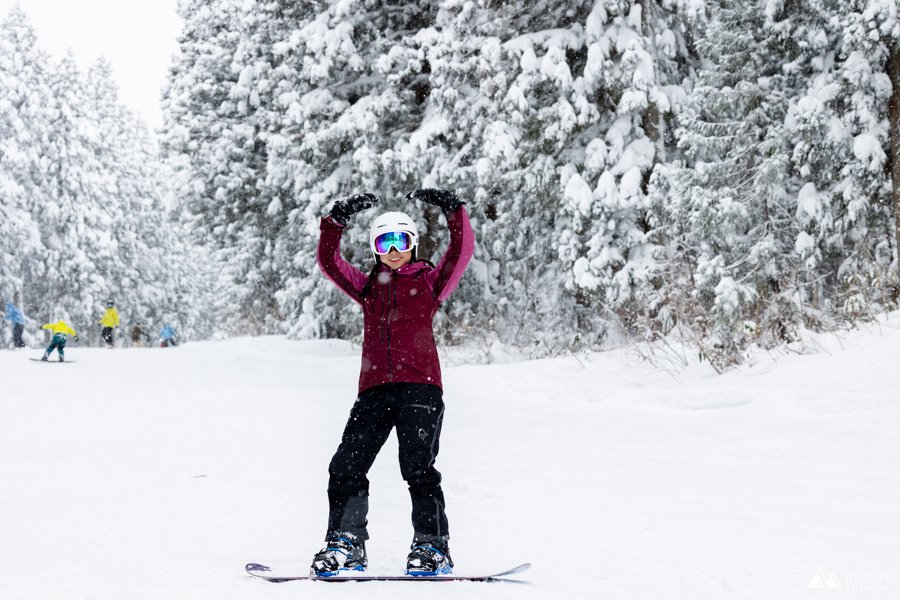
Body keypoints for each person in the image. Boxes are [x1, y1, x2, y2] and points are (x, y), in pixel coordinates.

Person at [311, 188, 475, 577]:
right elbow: (329, 262)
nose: (394, 248)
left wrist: (453, 210)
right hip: (373, 391)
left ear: (413, 244)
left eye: (402, 240)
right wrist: (335, 221)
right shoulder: (368, 287)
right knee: (346, 465)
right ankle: (346, 543)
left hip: (420, 388)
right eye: (385, 241)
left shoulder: (431, 283)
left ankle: (432, 547)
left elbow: (461, 251)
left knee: (418, 468)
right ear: (375, 248)